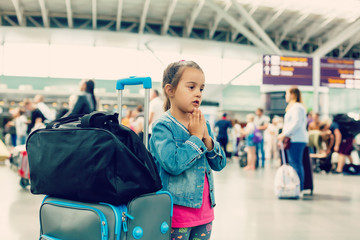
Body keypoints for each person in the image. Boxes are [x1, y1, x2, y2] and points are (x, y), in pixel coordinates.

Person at [149, 60, 226, 240]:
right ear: (171, 90)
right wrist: (196, 138)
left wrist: (207, 140)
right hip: (177, 215)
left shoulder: (203, 123)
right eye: (191, 87)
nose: (198, 93)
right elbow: (173, 164)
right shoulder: (163, 127)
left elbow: (220, 163)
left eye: (201, 88)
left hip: (205, 213)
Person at [278, 86, 308, 192]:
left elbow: (296, 123)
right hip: (295, 139)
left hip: (296, 139)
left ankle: (298, 188)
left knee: (296, 164)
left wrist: (284, 134)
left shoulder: (297, 107)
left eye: (287, 94)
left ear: (293, 95)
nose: (285, 96)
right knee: (294, 163)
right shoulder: (294, 107)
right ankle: (297, 186)